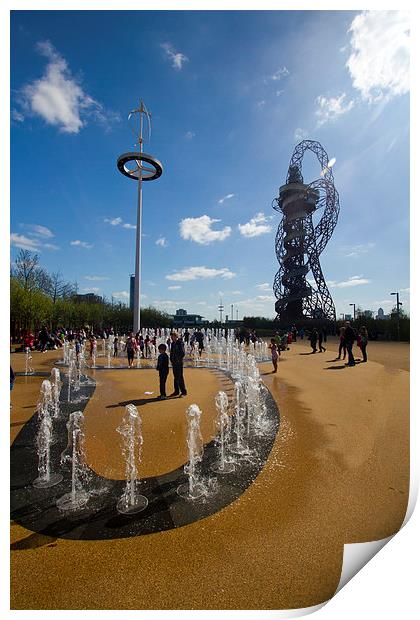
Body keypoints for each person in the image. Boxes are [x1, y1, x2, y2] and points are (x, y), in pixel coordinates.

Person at [169, 332, 187, 397]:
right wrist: (171, 359)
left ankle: (184, 392)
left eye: (172, 336)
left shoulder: (180, 343)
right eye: (171, 336)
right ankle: (176, 391)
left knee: (180, 377)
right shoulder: (173, 343)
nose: (171, 337)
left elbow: (183, 353)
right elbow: (171, 352)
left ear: (175, 336)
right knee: (175, 377)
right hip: (174, 362)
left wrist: (178, 359)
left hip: (179, 363)